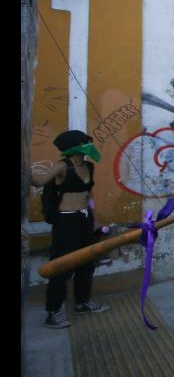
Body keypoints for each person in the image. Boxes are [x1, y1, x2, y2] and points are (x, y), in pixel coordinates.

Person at [30, 130, 111, 329]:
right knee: (61, 265)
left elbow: (89, 195)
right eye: (84, 143)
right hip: (66, 221)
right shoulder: (62, 166)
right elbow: (39, 181)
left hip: (85, 218)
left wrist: (95, 219)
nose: (88, 146)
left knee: (87, 262)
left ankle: (82, 303)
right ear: (73, 147)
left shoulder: (89, 166)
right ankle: (53, 312)